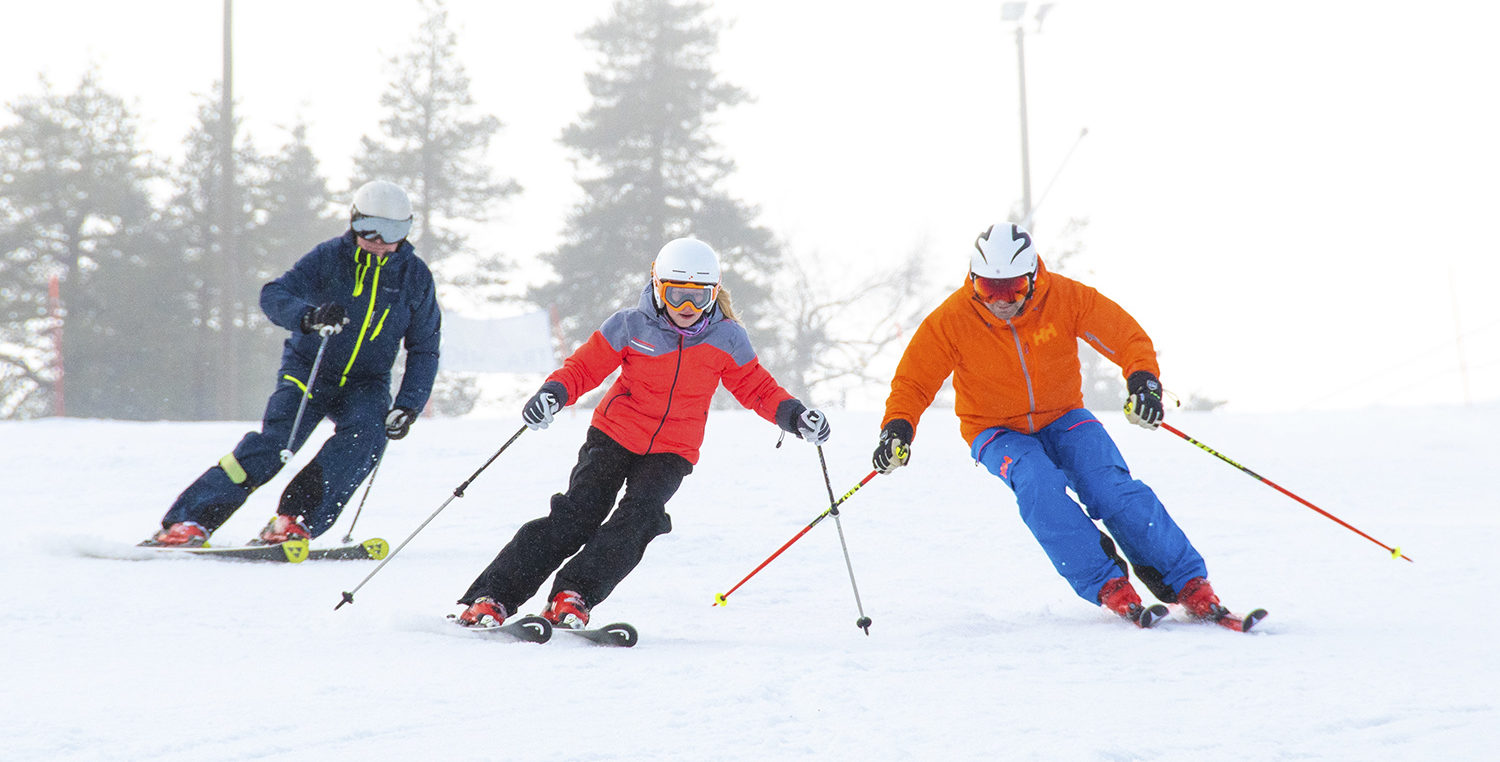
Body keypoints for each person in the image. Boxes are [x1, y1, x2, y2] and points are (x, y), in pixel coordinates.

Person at [872, 221, 1238, 628]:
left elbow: (1126, 335)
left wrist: (1143, 382)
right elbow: (913, 381)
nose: (1000, 301)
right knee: (1037, 482)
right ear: (972, 281)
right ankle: (1109, 585)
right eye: (987, 290)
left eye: (1012, 288)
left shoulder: (1063, 297)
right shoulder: (951, 321)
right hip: (995, 429)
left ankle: (1189, 585)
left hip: (1064, 415)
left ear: (1033, 277)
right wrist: (898, 428)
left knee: (1111, 487)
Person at [453, 237, 831, 629]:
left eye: (698, 298)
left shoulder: (727, 337)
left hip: (673, 449)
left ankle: (573, 595)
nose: (687, 308)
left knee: (641, 518)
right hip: (615, 434)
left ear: (713, 294)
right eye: (676, 295)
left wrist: (797, 417)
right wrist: (553, 394)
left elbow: (757, 387)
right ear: (656, 287)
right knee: (577, 516)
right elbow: (584, 368)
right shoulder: (630, 325)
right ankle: (493, 596)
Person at [141, 180, 442, 547]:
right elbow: (274, 294)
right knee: (275, 445)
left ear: (407, 230)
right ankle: (188, 521)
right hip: (310, 370)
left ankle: (293, 520)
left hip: (366, 382)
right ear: (353, 222)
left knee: (367, 437)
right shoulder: (329, 257)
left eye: (392, 231)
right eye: (368, 228)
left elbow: (424, 348)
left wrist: (408, 405)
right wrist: (309, 316)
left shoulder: (416, 278)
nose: (378, 240)